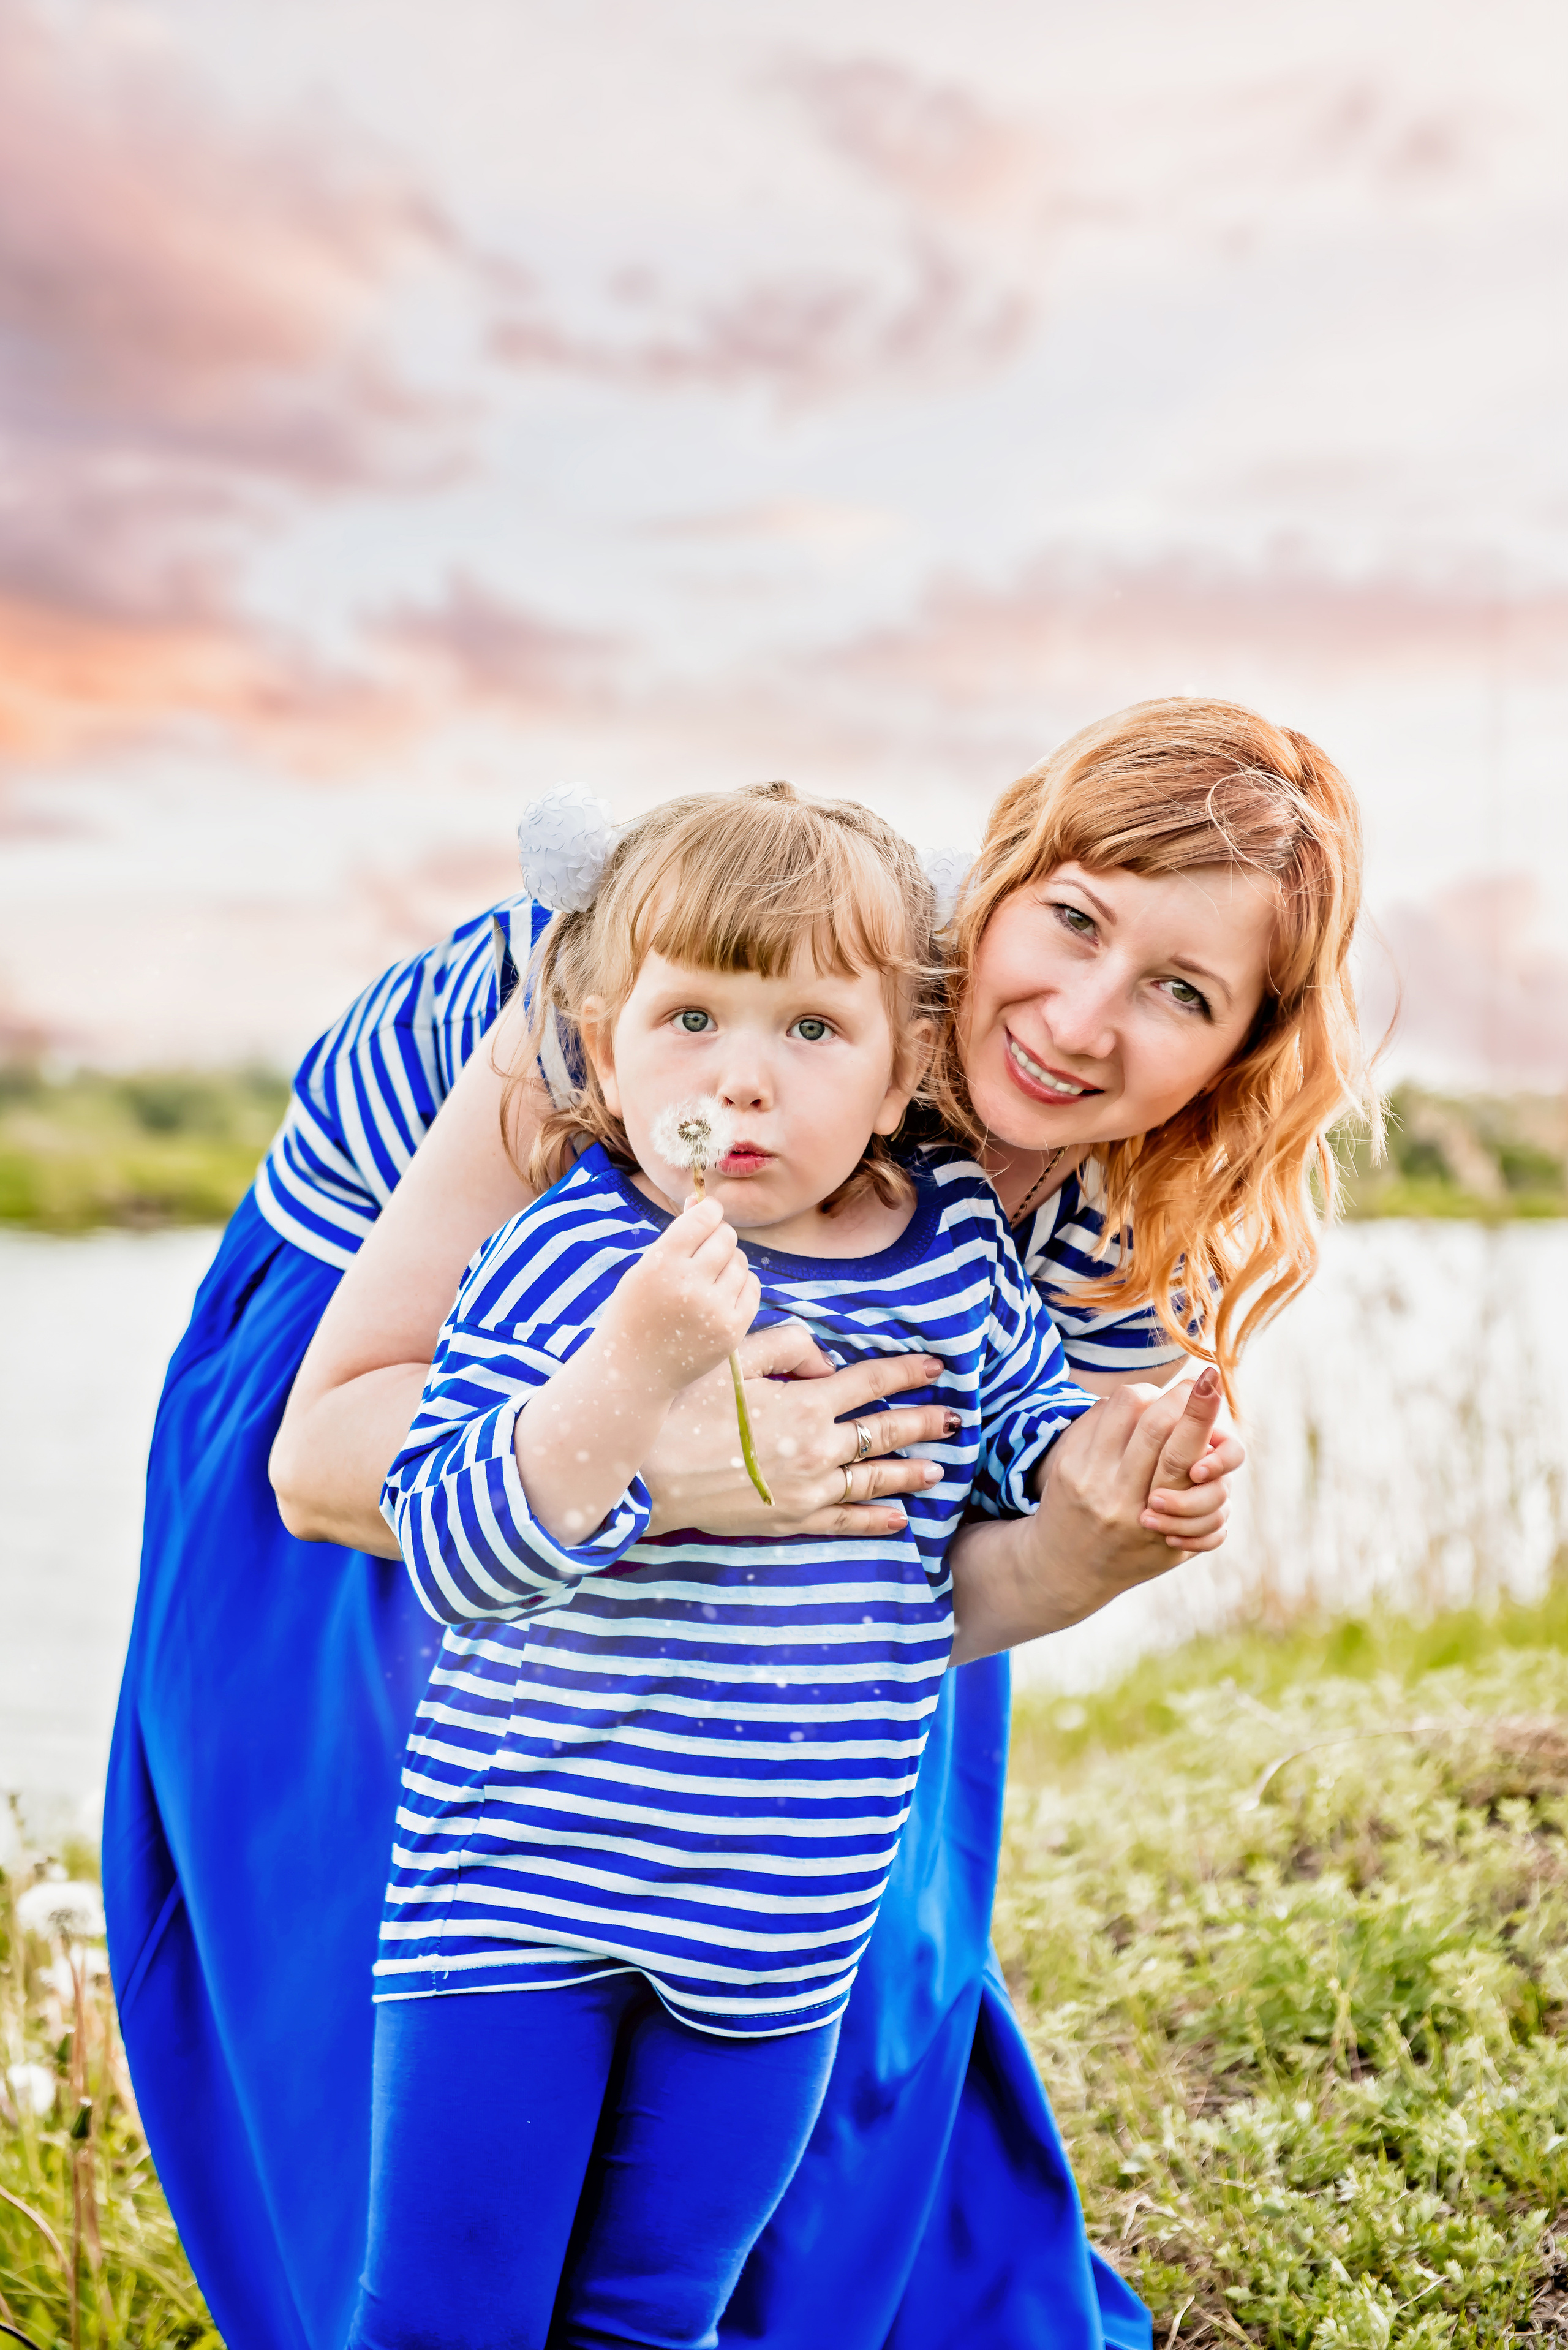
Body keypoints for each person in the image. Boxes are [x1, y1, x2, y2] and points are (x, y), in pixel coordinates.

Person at [104, 697, 1369, 2350]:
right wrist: (670, 1470)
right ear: (997, 879)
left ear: (1240, 1050)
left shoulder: (1127, 1224)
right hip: (413, 1399)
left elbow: (934, 1573)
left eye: (1180, 992)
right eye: (1069, 918)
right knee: (422, 2040)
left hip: (817, 1578)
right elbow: (332, 1454)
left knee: (827, 1972)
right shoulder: (672, 989)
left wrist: (1093, 1535)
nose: (1078, 1016)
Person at [350, 782, 1112, 2346]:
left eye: (810, 1031)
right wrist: (627, 1375)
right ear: (601, 1039)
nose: (739, 1077)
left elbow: (1026, 1429)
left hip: (779, 1924)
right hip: (517, 1896)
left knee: (656, 2313)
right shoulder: (573, 1252)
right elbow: (446, 1545)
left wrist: (1117, 1459)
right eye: (688, 1017)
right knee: (446, 2317)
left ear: (906, 1060)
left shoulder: (954, 1245)